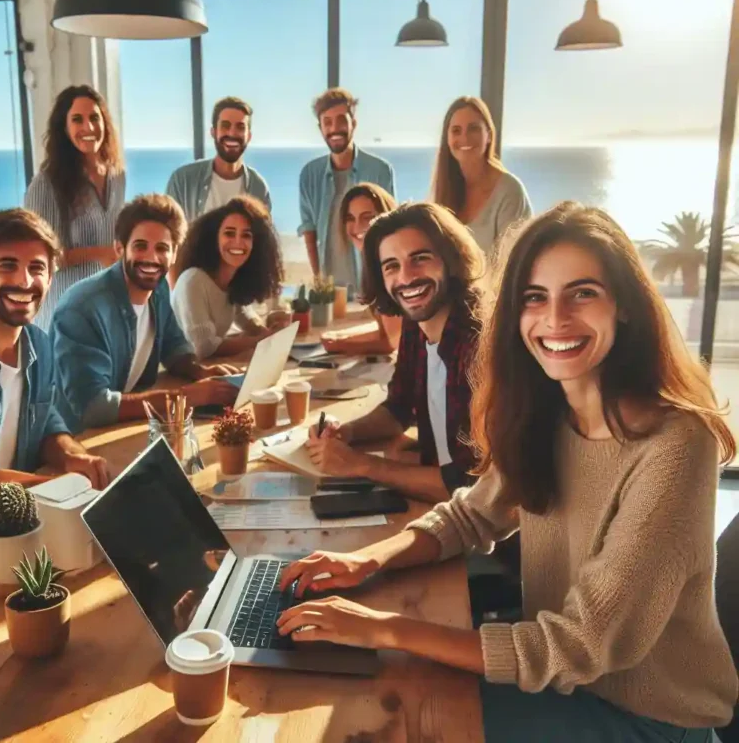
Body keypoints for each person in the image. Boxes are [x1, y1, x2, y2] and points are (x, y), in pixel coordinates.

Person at [279, 202, 738, 741]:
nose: (555, 319)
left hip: (645, 716)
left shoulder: (675, 444)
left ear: (626, 306)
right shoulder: (550, 411)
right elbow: (472, 514)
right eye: (534, 298)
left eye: (582, 293)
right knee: (368, 686)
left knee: (392, 715)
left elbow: (579, 645)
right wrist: (363, 560)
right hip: (559, 678)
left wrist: (384, 627)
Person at [306, 202, 483, 503]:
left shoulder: (478, 345)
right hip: (438, 503)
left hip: (483, 532)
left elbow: (471, 486)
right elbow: (398, 409)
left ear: (450, 259)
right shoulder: (417, 324)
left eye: (420, 259)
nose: (406, 278)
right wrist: (346, 433)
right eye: (391, 266)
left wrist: (362, 465)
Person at [50, 194, 238, 434]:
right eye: (141, 246)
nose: (151, 258)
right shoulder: (81, 309)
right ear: (120, 248)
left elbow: (173, 346)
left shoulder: (157, 287)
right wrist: (184, 397)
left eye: (162, 248)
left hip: (124, 428)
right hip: (77, 440)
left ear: (174, 253)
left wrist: (199, 371)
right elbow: (93, 407)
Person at [0, 209, 109, 516]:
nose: (25, 281)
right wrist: (63, 490)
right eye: (8, 266)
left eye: (37, 268)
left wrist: (73, 456)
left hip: (12, 524)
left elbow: (46, 424)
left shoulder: (39, 345)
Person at [25, 85, 125, 329]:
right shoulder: (47, 183)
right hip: (64, 308)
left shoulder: (117, 175)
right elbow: (41, 257)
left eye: (94, 118)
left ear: (105, 123)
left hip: (106, 303)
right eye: (77, 120)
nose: (88, 128)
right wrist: (99, 253)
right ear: (65, 128)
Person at [298, 88, 395, 289]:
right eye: (327, 122)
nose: (335, 128)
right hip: (330, 292)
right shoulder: (309, 175)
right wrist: (319, 282)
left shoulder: (380, 171)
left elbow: (389, 230)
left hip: (372, 288)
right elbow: (309, 231)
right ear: (320, 128)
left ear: (354, 123)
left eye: (342, 120)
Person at [171, 195, 286, 360]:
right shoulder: (193, 280)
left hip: (209, 368)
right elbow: (203, 346)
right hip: (179, 375)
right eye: (229, 233)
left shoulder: (232, 279)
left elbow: (243, 314)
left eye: (246, 235)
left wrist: (265, 331)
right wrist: (257, 340)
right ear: (214, 237)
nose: (238, 242)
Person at [432, 96, 531, 254]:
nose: (464, 138)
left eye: (473, 129)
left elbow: (512, 265)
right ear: (447, 139)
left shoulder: (510, 192)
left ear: (489, 135)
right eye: (456, 131)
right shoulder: (442, 190)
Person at [320, 182, 401, 355]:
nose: (357, 227)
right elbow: (388, 331)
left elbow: (392, 342)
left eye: (367, 217)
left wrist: (341, 346)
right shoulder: (374, 259)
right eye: (350, 218)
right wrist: (341, 338)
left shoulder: (390, 262)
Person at [166, 96, 271, 222]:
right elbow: (170, 235)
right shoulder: (182, 181)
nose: (232, 133)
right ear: (213, 132)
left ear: (248, 136)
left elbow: (263, 238)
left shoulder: (258, 187)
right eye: (225, 126)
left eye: (240, 127)